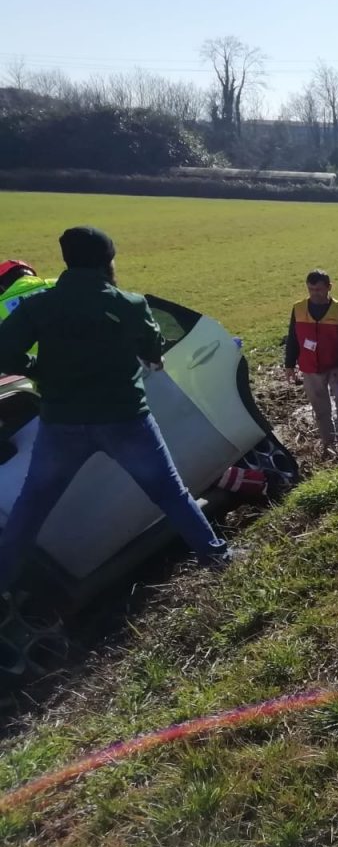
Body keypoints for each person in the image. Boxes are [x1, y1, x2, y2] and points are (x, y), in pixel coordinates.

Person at [0, 226, 231, 594]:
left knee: (31, 509)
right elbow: (153, 352)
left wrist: (36, 368)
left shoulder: (38, 306)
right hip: (126, 420)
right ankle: (217, 558)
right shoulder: (129, 304)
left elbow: (4, 352)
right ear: (107, 261)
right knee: (170, 493)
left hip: (62, 424)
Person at [284, 269, 338, 453]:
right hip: (310, 368)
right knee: (321, 408)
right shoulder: (299, 309)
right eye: (311, 289)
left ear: (329, 287)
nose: (314, 293)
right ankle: (328, 443)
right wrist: (289, 365)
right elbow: (293, 339)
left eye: (318, 289)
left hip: (335, 366)